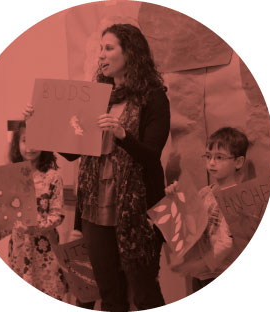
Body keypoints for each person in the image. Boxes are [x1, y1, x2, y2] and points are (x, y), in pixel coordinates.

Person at [25, 23, 170, 311]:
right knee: (109, 294)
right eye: (100, 49)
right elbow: (71, 152)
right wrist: (39, 123)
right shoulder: (97, 96)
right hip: (95, 211)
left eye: (108, 48)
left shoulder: (154, 98)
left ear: (130, 53)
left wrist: (122, 135)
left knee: (143, 294)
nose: (101, 56)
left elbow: (152, 155)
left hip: (137, 213)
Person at [0, 121, 68, 301]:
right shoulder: (11, 178)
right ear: (18, 144)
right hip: (19, 253)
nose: (30, 146)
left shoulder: (53, 177)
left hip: (46, 253)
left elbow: (57, 215)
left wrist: (35, 227)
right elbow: (6, 220)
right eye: (24, 140)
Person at [166, 127, 249, 292]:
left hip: (220, 272)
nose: (211, 162)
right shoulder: (205, 192)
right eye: (208, 156)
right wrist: (176, 198)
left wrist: (201, 264)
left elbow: (227, 242)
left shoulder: (237, 198)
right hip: (201, 273)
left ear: (238, 162)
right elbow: (189, 223)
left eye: (219, 157)